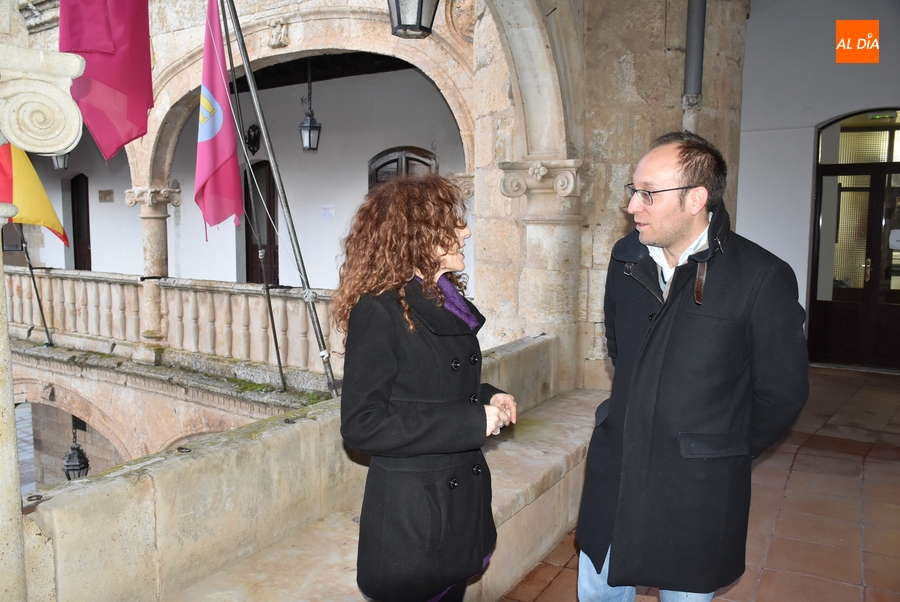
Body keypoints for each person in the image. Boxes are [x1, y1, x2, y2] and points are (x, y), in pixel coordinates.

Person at [576, 131, 809, 601]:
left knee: (684, 592)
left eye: (648, 193)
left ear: (696, 198)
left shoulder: (761, 276)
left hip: (696, 487)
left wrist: (720, 447)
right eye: (633, 191)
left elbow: (782, 392)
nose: (633, 206)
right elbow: (622, 349)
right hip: (618, 466)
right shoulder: (626, 258)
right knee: (599, 590)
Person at [333, 174, 517, 602]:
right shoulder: (377, 310)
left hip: (454, 500)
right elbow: (362, 424)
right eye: (451, 223)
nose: (465, 230)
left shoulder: (439, 296)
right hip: (415, 514)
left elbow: (430, 383)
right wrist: (470, 421)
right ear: (415, 235)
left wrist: (487, 395)